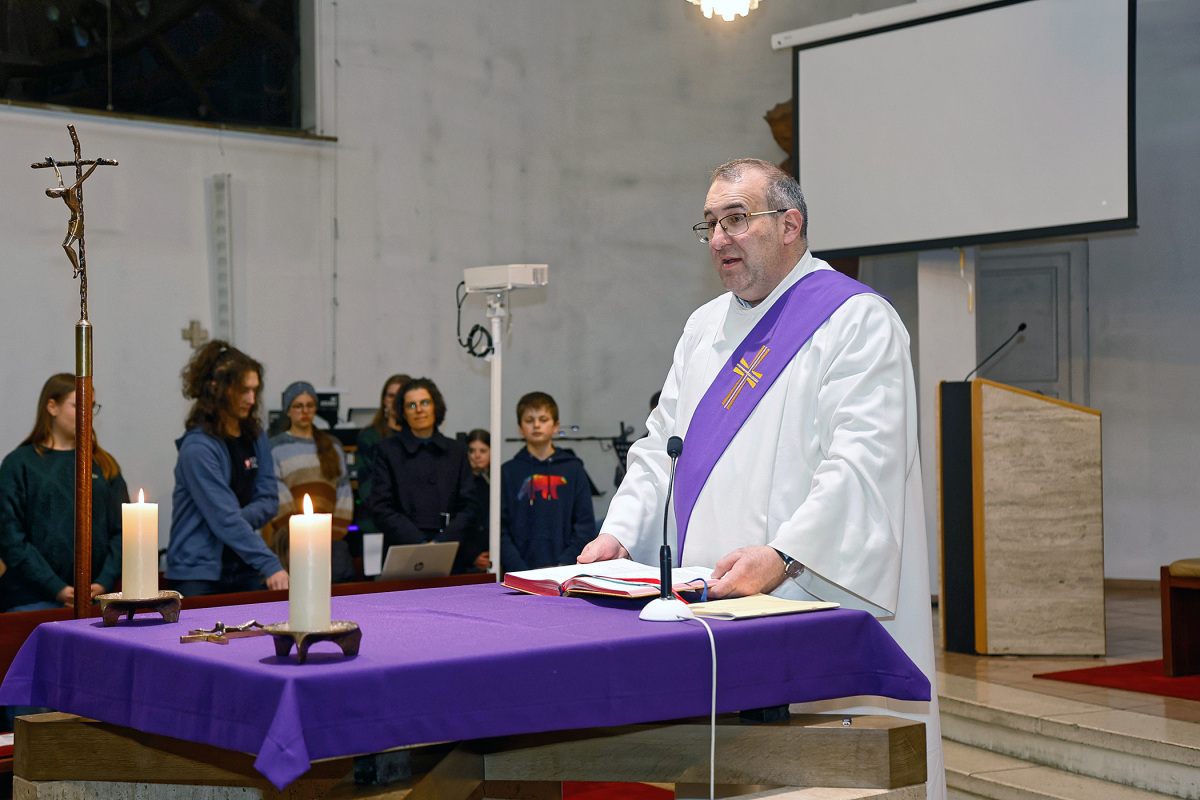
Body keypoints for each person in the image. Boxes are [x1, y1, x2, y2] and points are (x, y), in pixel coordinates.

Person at [578, 158, 945, 800]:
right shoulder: (704, 328)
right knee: (721, 772)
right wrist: (620, 534)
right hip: (710, 603)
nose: (719, 238)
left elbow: (863, 463)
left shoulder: (855, 320)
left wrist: (783, 555)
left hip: (806, 596)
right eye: (711, 223)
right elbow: (661, 446)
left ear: (790, 225)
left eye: (737, 219)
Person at [166, 341, 287, 596]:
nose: (251, 400)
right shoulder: (197, 448)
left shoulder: (256, 436)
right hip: (198, 571)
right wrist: (270, 563)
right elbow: (224, 517)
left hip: (242, 561)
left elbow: (268, 501)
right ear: (217, 389)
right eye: (243, 391)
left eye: (255, 390)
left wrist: (232, 520)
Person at [0, 373, 128, 611]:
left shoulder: (103, 464)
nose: (87, 413)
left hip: (96, 597)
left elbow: (123, 530)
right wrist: (55, 587)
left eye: (91, 406)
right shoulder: (19, 464)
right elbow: (10, 537)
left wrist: (104, 581)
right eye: (78, 405)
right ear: (52, 407)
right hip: (32, 599)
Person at [365, 378, 476, 556]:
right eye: (411, 405)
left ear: (435, 407)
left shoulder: (457, 451)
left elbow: (469, 506)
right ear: (403, 412)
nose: (419, 410)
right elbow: (381, 507)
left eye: (425, 403)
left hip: (450, 548)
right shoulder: (386, 451)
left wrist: (441, 543)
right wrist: (421, 544)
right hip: (403, 549)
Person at [264, 381, 356, 582]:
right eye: (298, 406)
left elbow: (344, 491)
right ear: (288, 411)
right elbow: (275, 490)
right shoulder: (275, 447)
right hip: (290, 540)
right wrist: (297, 533)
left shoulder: (332, 445)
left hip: (330, 540)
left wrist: (333, 532)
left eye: (310, 405)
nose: (305, 411)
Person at [499, 392, 596, 574]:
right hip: (519, 574)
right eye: (529, 420)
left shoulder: (574, 469)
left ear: (556, 426)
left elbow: (585, 527)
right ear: (520, 428)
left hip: (565, 572)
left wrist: (563, 566)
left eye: (543, 419)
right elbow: (499, 531)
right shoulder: (507, 472)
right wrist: (521, 571)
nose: (536, 425)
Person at [353, 374, 411, 541]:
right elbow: (366, 487)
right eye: (391, 396)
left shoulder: (417, 437)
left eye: (400, 395)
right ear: (384, 400)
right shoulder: (370, 437)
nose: (395, 401)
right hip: (375, 525)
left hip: (412, 525)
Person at [458, 429, 492, 572]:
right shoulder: (458, 482)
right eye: (471, 451)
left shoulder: (497, 482)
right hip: (464, 557)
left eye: (483, 451)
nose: (477, 455)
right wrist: (472, 555)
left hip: (494, 553)